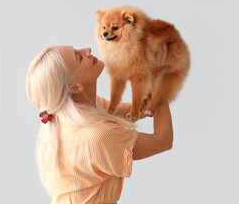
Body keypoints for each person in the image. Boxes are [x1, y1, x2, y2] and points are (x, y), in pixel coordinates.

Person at [26, 44, 173, 204]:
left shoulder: (77, 113)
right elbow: (162, 141)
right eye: (79, 57)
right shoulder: (99, 136)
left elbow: (137, 110)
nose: (87, 50)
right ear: (75, 87)